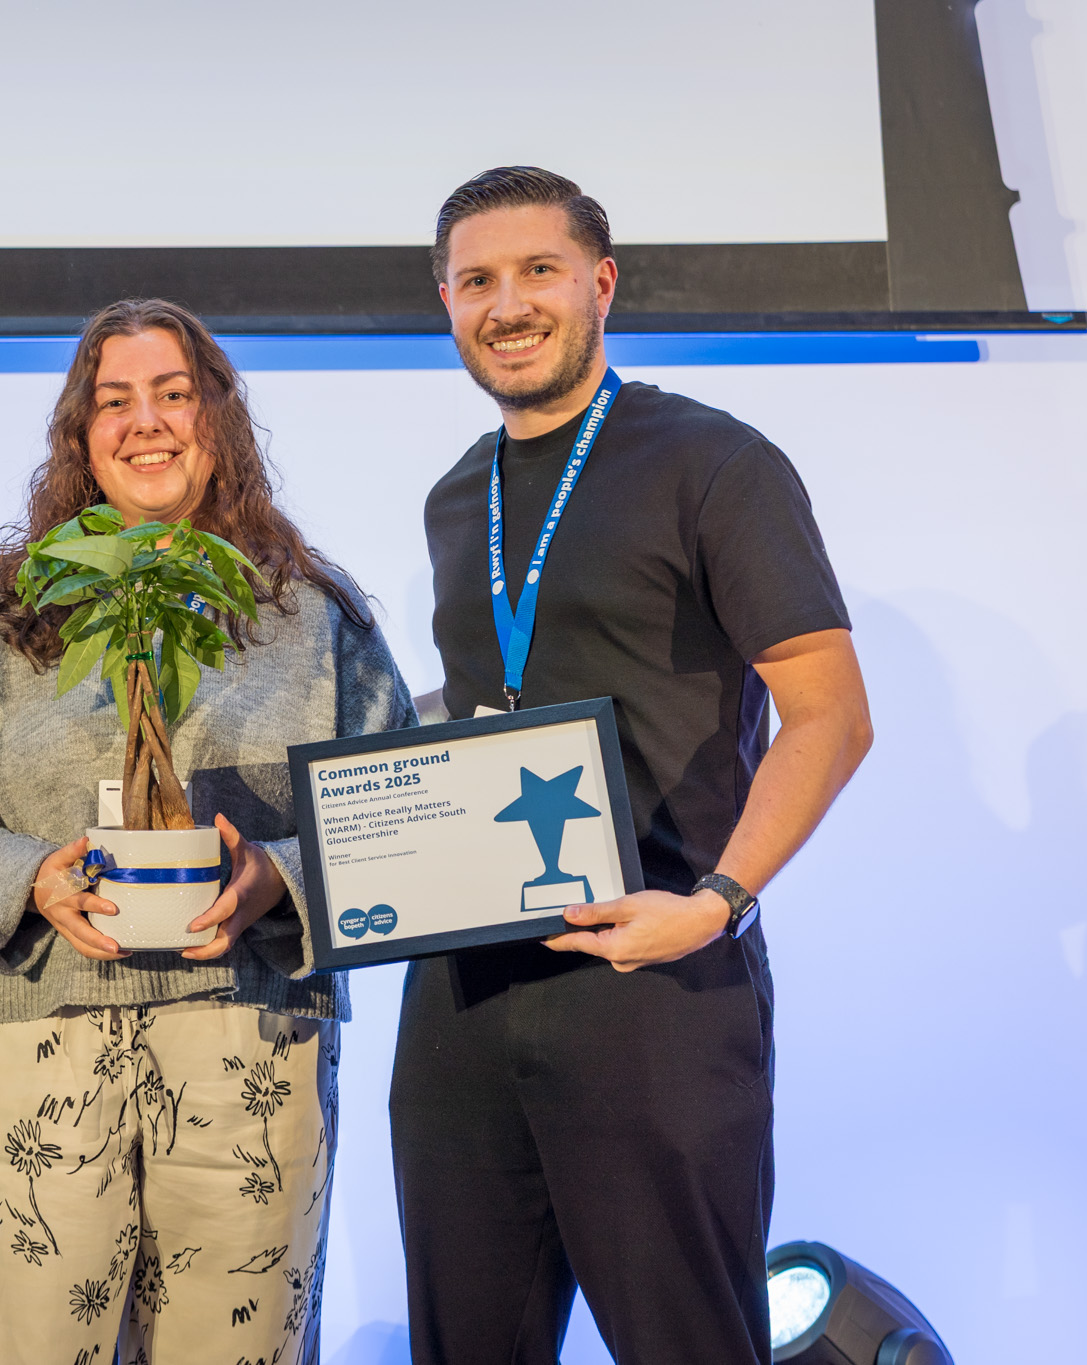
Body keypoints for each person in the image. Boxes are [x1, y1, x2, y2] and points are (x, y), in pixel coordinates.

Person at [396, 168, 875, 1364]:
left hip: (656, 981)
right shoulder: (457, 498)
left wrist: (714, 905)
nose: (506, 304)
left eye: (537, 271)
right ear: (445, 302)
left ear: (599, 284)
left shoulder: (714, 463)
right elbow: (487, 706)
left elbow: (828, 716)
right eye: (475, 281)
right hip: (462, 994)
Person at [0, 298, 415, 1365]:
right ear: (79, 437)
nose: (146, 422)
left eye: (174, 395)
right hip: (36, 1033)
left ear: (217, 419)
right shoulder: (0, 615)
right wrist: (30, 878)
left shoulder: (311, 615)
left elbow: (393, 810)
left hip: (249, 1041)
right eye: (113, 401)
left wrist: (280, 877)